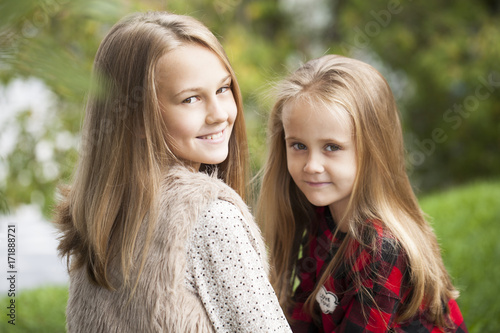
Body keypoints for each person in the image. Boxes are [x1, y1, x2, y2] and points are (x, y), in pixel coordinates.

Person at [54, 11, 291, 332]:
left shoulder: (102, 217)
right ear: (136, 118)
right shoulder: (210, 218)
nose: (220, 114)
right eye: (191, 99)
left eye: (223, 89)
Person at [256, 54, 468, 332]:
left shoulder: (382, 249)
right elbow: (305, 312)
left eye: (331, 147)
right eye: (298, 145)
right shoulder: (322, 216)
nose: (311, 166)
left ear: (373, 150)